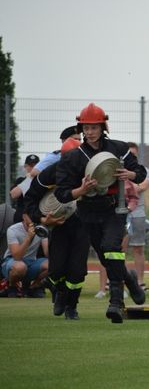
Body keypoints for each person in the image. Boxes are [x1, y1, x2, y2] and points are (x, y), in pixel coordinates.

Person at [55, 103, 147, 323]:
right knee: (107, 258)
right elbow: (62, 193)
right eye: (86, 127)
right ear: (81, 128)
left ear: (103, 127)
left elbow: (141, 173)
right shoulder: (72, 157)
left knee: (111, 247)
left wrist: (129, 174)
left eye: (94, 127)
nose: (89, 131)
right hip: (87, 211)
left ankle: (116, 303)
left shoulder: (119, 148)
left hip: (115, 208)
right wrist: (81, 190)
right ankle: (130, 280)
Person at [24, 137, 89, 319]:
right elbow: (29, 200)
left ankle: (72, 307)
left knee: (77, 271)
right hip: (58, 225)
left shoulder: (91, 173)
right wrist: (44, 218)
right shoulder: (50, 174)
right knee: (56, 269)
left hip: (83, 225)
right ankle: (59, 291)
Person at [10, 127, 81, 204]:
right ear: (64, 141)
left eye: (80, 139)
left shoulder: (81, 154)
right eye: (75, 139)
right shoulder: (57, 156)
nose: (78, 142)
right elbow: (34, 172)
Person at [0, 214, 48, 298]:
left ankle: (34, 287)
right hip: (11, 262)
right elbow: (17, 257)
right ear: (24, 217)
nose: (34, 218)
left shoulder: (41, 228)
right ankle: (12, 285)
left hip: (31, 263)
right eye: (30, 215)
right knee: (20, 266)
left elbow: (47, 253)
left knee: (54, 264)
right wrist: (28, 238)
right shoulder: (13, 229)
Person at [125, 142, 149, 289]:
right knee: (119, 250)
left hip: (138, 213)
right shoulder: (118, 170)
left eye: (134, 154)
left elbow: (143, 186)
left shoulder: (143, 170)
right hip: (121, 213)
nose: (132, 157)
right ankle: (122, 281)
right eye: (129, 154)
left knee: (138, 248)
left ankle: (140, 282)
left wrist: (129, 186)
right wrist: (134, 186)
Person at [10, 154, 40, 223]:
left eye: (36, 165)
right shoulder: (20, 180)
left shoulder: (43, 181)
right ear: (25, 166)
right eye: (31, 166)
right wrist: (29, 179)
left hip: (37, 218)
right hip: (21, 219)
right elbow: (13, 195)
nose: (34, 168)